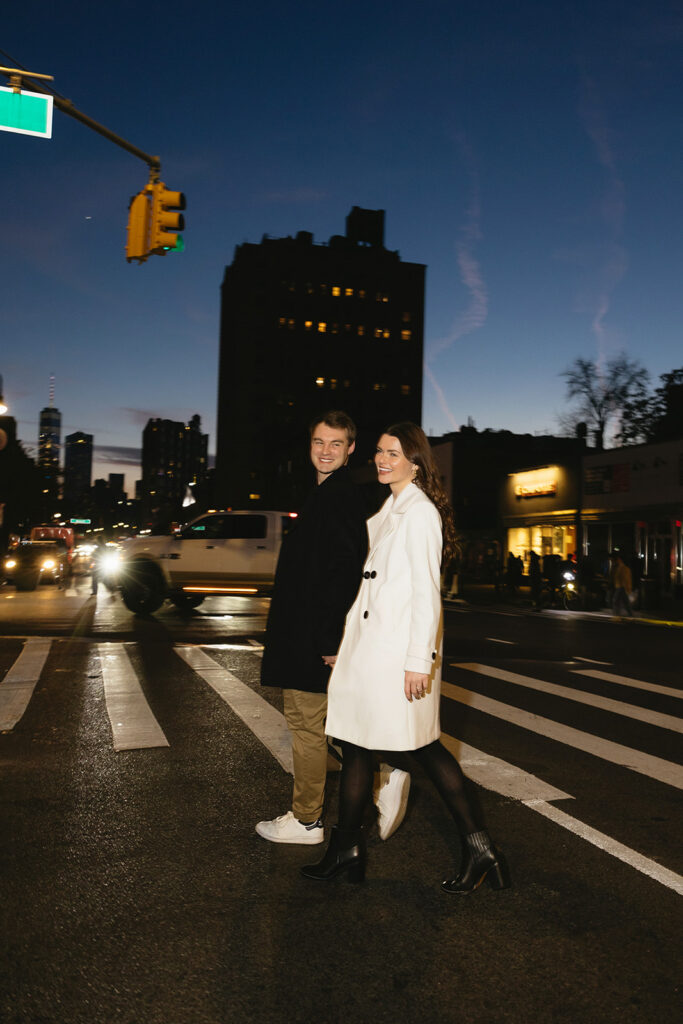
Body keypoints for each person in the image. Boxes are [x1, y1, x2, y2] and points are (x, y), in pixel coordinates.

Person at [301, 422, 509, 894]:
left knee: (424, 748)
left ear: (415, 461)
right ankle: (347, 851)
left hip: (396, 656)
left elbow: (425, 594)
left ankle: (480, 850)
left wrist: (419, 660)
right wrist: (348, 649)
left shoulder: (419, 513)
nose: (382, 459)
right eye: (378, 451)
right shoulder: (392, 507)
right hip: (370, 651)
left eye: (393, 453)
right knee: (356, 744)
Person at [256, 411, 411, 846]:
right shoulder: (325, 492)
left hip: (313, 637)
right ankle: (382, 778)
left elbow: (343, 571)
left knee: (306, 725)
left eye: (335, 444)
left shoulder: (337, 496)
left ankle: (306, 820)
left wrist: (330, 640)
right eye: (319, 443)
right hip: (311, 632)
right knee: (329, 724)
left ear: (350, 449)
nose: (325, 451)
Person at [610, 552, 633, 617]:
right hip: (619, 586)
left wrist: (628, 587)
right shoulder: (616, 567)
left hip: (621, 586)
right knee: (625, 602)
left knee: (616, 600)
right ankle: (630, 614)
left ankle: (617, 615)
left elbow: (626, 578)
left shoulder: (623, 567)